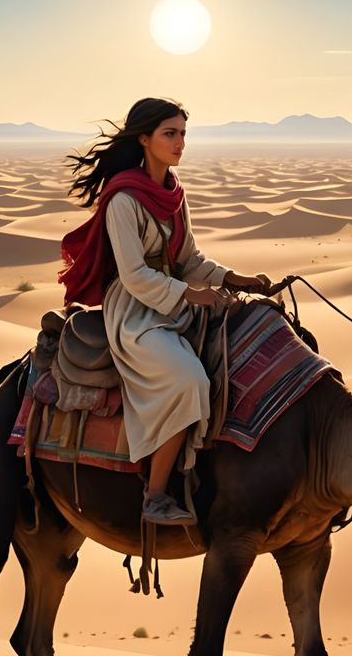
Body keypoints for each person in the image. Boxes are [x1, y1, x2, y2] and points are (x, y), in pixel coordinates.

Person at [60, 97, 272, 525]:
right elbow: (135, 275)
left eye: (183, 134)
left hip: (176, 304)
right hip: (136, 314)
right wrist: (191, 295)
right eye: (169, 134)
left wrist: (233, 279)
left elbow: (190, 258)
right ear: (144, 139)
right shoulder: (123, 199)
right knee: (189, 379)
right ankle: (155, 495)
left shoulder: (174, 193)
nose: (179, 143)